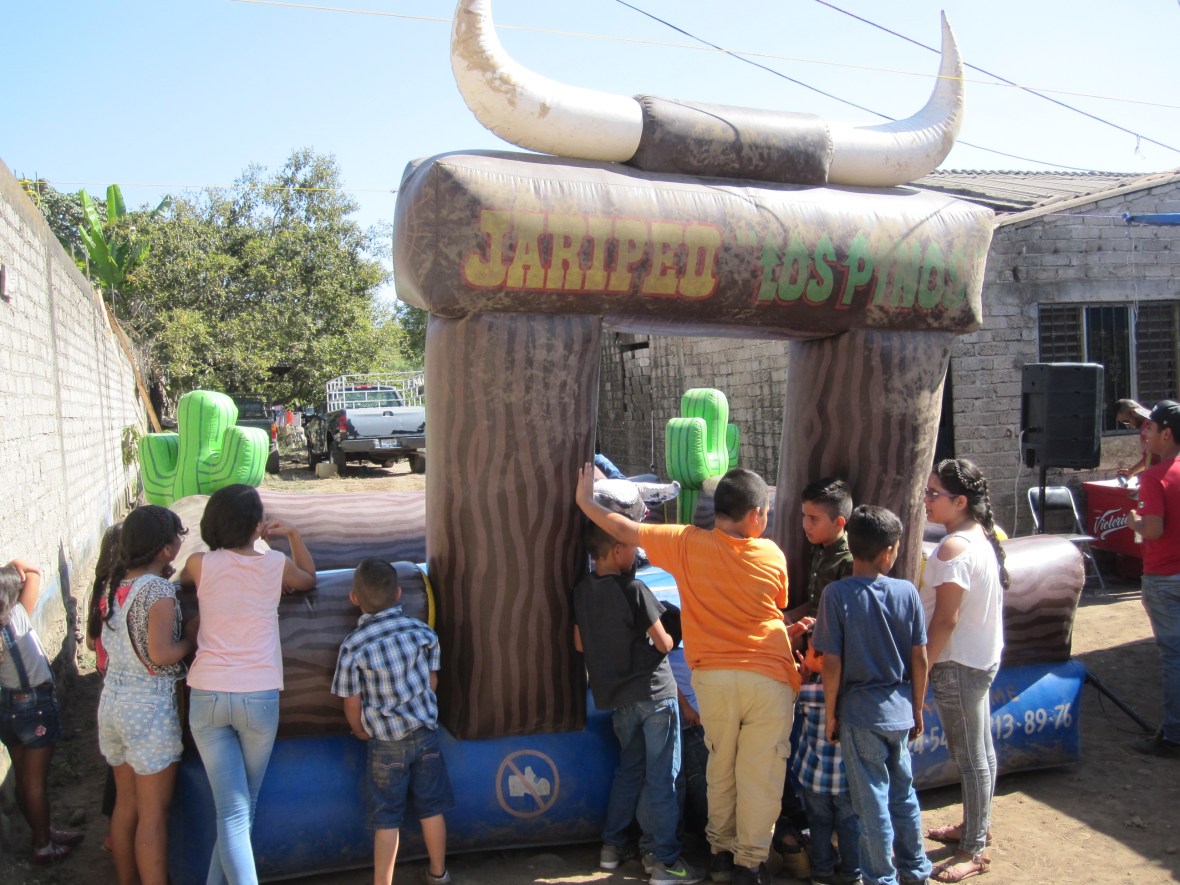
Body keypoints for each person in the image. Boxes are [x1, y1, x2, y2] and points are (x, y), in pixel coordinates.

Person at [577, 464, 807, 885]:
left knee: (721, 766)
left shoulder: (683, 542)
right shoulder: (771, 554)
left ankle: (719, 853)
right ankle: (748, 863)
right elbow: (776, 601)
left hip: (713, 680)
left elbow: (623, 530)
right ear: (756, 515)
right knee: (760, 772)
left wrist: (584, 501)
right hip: (767, 676)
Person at [180, 484, 316, 884]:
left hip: (206, 695)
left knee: (233, 812)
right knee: (240, 810)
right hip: (257, 696)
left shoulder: (198, 564)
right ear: (258, 526)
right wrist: (292, 534)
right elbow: (308, 578)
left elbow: (195, 584)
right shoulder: (275, 565)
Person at [573, 522, 701, 884]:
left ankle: (611, 848)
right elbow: (663, 644)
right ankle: (665, 861)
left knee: (629, 772)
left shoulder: (582, 591)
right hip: (656, 695)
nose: (636, 554)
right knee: (663, 778)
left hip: (618, 700)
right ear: (616, 549)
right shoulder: (636, 588)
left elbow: (580, 645)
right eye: (631, 547)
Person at [813, 505, 931, 885]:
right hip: (900, 713)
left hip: (860, 716)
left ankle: (881, 877)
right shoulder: (907, 592)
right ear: (889, 551)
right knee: (903, 794)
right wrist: (918, 708)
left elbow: (831, 663)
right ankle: (915, 870)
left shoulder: (836, 594)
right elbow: (921, 659)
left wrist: (831, 715)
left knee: (872, 804)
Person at [332, 557, 455, 885]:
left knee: (386, 817)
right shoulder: (421, 632)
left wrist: (359, 729)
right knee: (432, 808)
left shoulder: (353, 646)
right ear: (399, 593)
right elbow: (432, 682)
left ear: (354, 598)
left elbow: (351, 700)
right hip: (425, 734)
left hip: (385, 744)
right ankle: (438, 872)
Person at [97, 506, 198, 885]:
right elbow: (160, 654)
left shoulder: (117, 583)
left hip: (112, 704)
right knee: (154, 815)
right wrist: (190, 636)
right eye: (177, 538)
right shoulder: (158, 591)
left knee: (127, 806)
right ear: (165, 550)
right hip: (147, 710)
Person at [920, 459, 1008, 882]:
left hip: (958, 663)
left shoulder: (954, 547)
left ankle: (973, 848)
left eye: (934, 494)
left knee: (971, 757)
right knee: (979, 752)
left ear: (960, 501)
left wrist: (923, 667)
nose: (926, 500)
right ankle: (976, 827)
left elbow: (945, 620)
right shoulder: (974, 536)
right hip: (977, 658)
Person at [0, 558, 83, 865]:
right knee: (35, 781)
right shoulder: (18, 615)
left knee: (23, 778)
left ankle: (41, 831)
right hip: (34, 707)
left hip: (9, 708)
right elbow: (33, 571)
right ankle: (42, 844)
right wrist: (14, 565)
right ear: (11, 595)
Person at [1125, 399, 1180, 759]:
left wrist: (1134, 522)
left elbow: (1155, 529)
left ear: (1167, 433)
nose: (1146, 433)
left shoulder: (1155, 478)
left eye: (1152, 427)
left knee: (1173, 656)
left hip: (1164, 577)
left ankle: (1174, 734)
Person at [790, 627, 861, 885]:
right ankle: (852, 872)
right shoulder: (851, 689)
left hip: (814, 775)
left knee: (819, 823)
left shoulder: (806, 692)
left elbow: (791, 695)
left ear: (820, 659)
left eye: (808, 652)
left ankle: (822, 871)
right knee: (849, 824)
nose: (803, 655)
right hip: (847, 778)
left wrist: (802, 674)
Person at [85, 523, 124, 852]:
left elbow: (89, 642)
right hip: (125, 681)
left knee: (115, 766)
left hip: (106, 676)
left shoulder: (101, 589)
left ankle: (113, 829)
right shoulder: (125, 593)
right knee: (122, 773)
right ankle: (115, 833)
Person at [801, 477, 855, 617]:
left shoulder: (848, 561)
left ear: (838, 522)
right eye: (804, 516)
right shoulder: (818, 548)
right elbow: (814, 605)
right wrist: (790, 616)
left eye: (813, 518)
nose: (805, 524)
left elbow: (843, 614)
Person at [1115, 399, 1156, 480]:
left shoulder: (1147, 426)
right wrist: (1132, 471)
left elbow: (1152, 458)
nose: (1128, 426)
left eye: (1126, 421)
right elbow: (1150, 457)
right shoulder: (1155, 417)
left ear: (1133, 412)